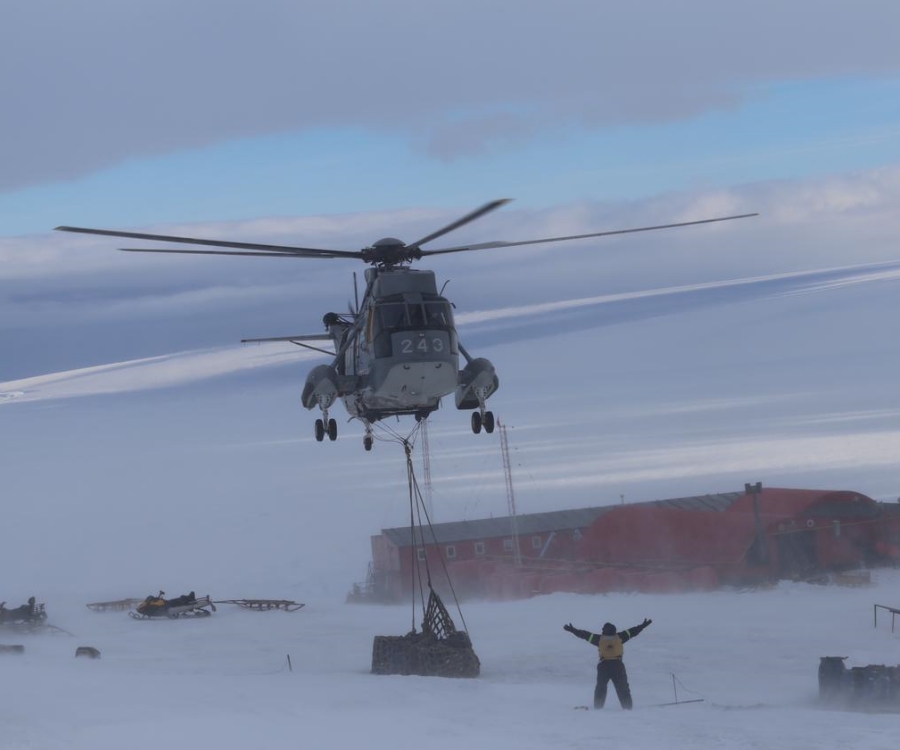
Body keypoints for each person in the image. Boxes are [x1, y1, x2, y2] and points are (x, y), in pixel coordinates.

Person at [563, 618, 652, 709]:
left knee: (600, 688)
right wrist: (643, 626)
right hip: (617, 665)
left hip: (604, 666)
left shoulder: (599, 639)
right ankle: (627, 708)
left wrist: (572, 630)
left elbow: (584, 635)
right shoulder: (621, 637)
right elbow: (633, 631)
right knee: (623, 688)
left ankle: (598, 707)